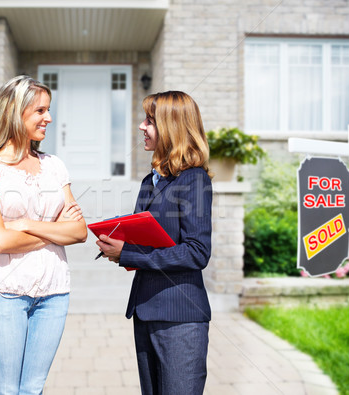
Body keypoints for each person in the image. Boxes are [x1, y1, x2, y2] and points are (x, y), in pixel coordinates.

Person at [0, 75, 88, 395]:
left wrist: (25, 224)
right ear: (14, 112)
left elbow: (79, 231)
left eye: (48, 110)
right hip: (2, 294)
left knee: (33, 389)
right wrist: (55, 230)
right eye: (40, 111)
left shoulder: (54, 166)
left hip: (54, 293)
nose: (48, 118)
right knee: (5, 391)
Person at [95, 90, 213, 395]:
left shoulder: (194, 179)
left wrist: (128, 253)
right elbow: (147, 236)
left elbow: (197, 252)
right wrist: (118, 242)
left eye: (150, 121)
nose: (141, 127)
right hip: (146, 311)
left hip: (179, 317)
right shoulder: (152, 180)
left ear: (172, 127)